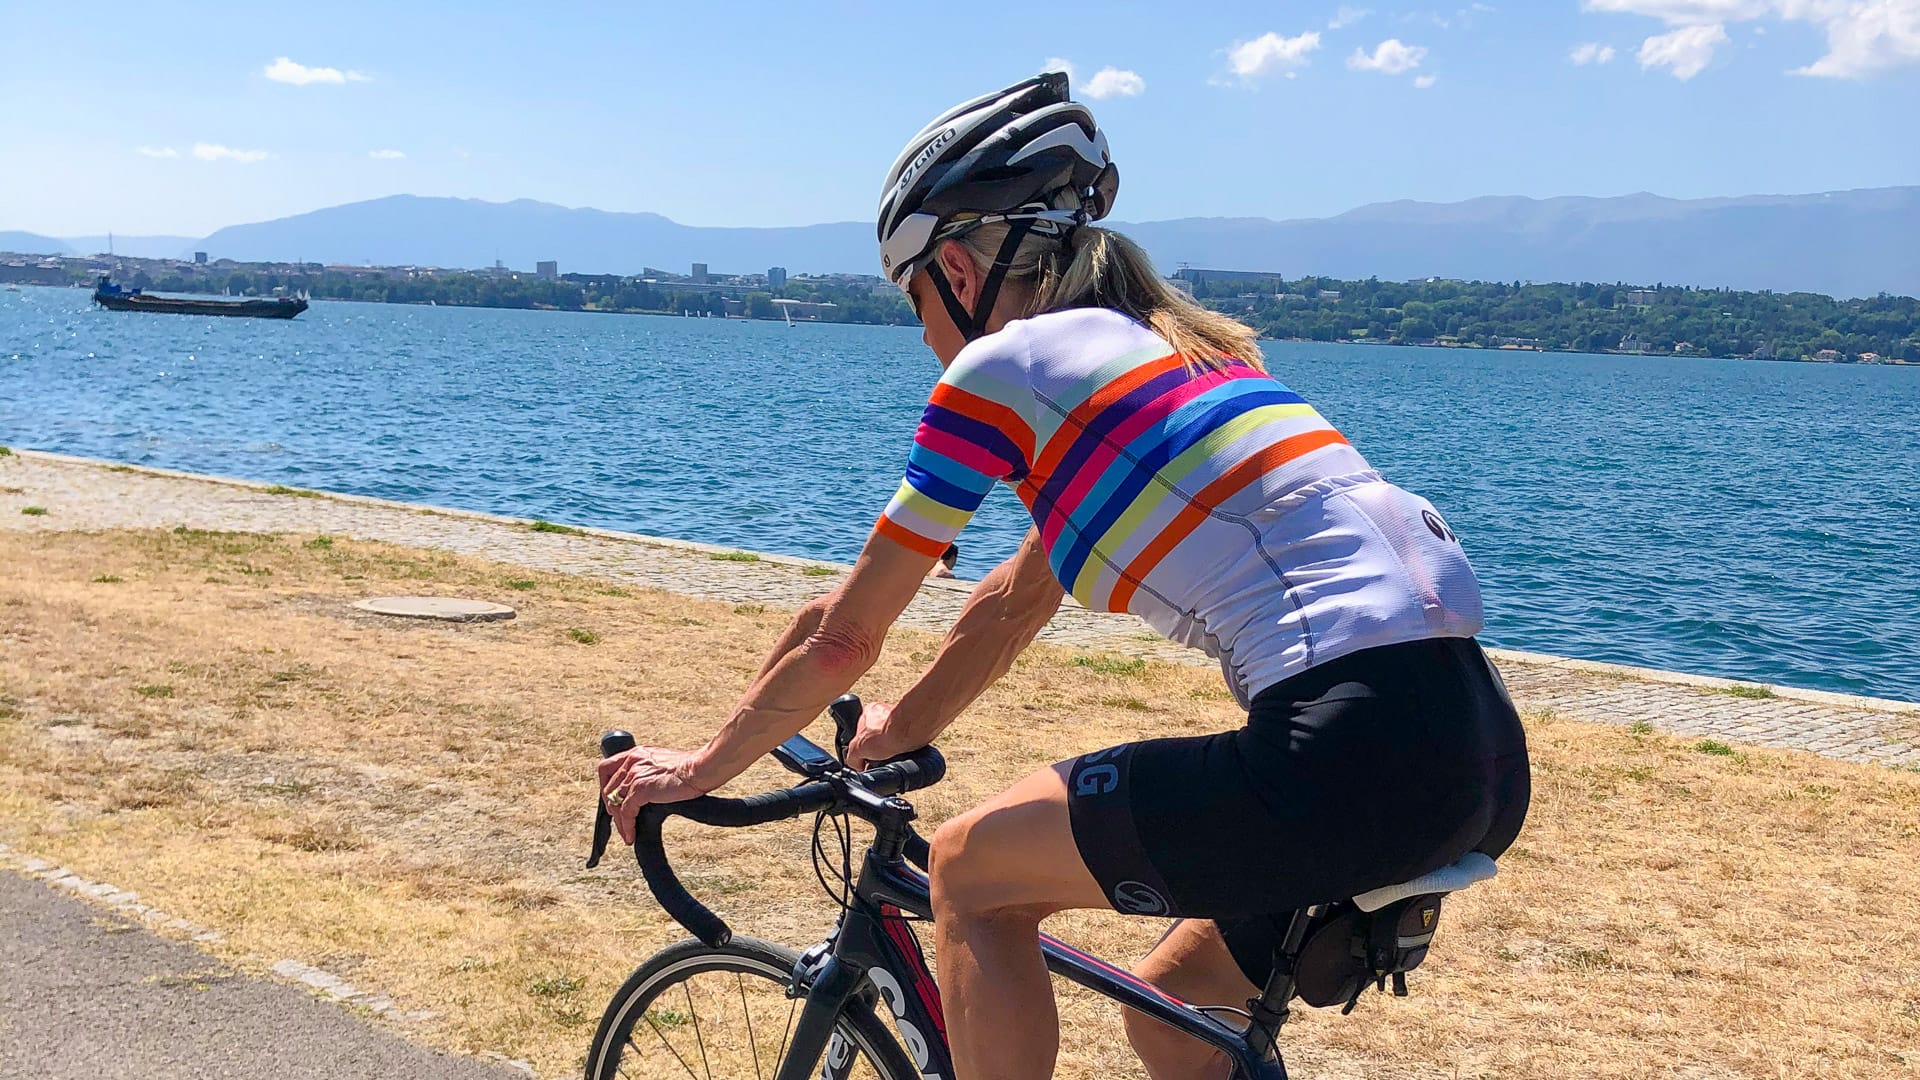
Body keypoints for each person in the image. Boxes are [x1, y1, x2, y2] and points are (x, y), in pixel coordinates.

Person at [598, 71, 1530, 1080]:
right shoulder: (1180, 365)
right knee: (1174, 1010)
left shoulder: (1007, 369)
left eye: (915, 299)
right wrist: (893, 733)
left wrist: (695, 771)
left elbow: (846, 636)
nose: (921, 333)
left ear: (955, 266)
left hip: (1340, 750)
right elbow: (1009, 606)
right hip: (1477, 747)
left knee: (968, 870)